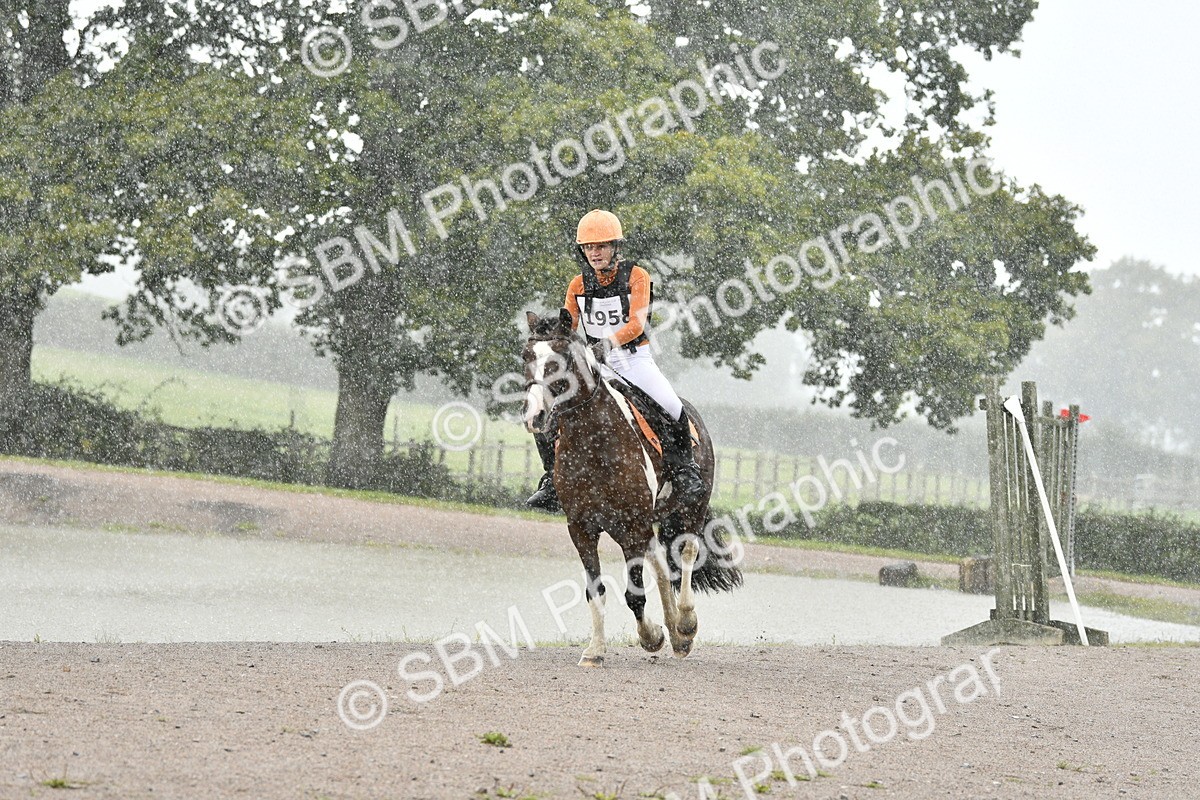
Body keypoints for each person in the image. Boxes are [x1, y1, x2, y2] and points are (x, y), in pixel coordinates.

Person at [526, 209, 707, 512]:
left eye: (601, 246)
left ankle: (685, 472)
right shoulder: (578, 285)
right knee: (546, 407)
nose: (594, 253)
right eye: (588, 248)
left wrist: (607, 343)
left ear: (615, 248)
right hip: (595, 364)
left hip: (634, 360)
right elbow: (568, 327)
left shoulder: (637, 276)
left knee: (673, 408)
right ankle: (551, 480)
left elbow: (637, 324)